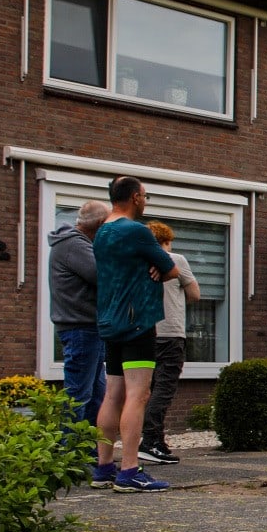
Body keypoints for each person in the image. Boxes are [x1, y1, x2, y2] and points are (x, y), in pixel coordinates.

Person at [91, 176, 179, 492]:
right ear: (135, 197)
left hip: (110, 320)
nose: (145, 201)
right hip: (137, 321)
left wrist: (147, 267)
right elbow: (171, 269)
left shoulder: (102, 231)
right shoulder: (136, 231)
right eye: (145, 195)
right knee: (138, 395)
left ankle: (104, 468)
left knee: (112, 394)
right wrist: (153, 269)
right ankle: (129, 470)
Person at [139, 220, 199, 465]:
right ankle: (150, 442)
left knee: (145, 390)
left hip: (143, 333)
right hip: (170, 333)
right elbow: (195, 294)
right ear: (165, 241)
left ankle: (156, 440)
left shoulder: (136, 263)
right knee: (164, 390)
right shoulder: (176, 260)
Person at [47, 200, 110, 429]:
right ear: (100, 224)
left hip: (88, 328)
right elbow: (104, 276)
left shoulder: (78, 243)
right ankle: (71, 447)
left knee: (96, 394)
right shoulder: (75, 245)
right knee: (79, 395)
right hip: (81, 329)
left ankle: (90, 447)